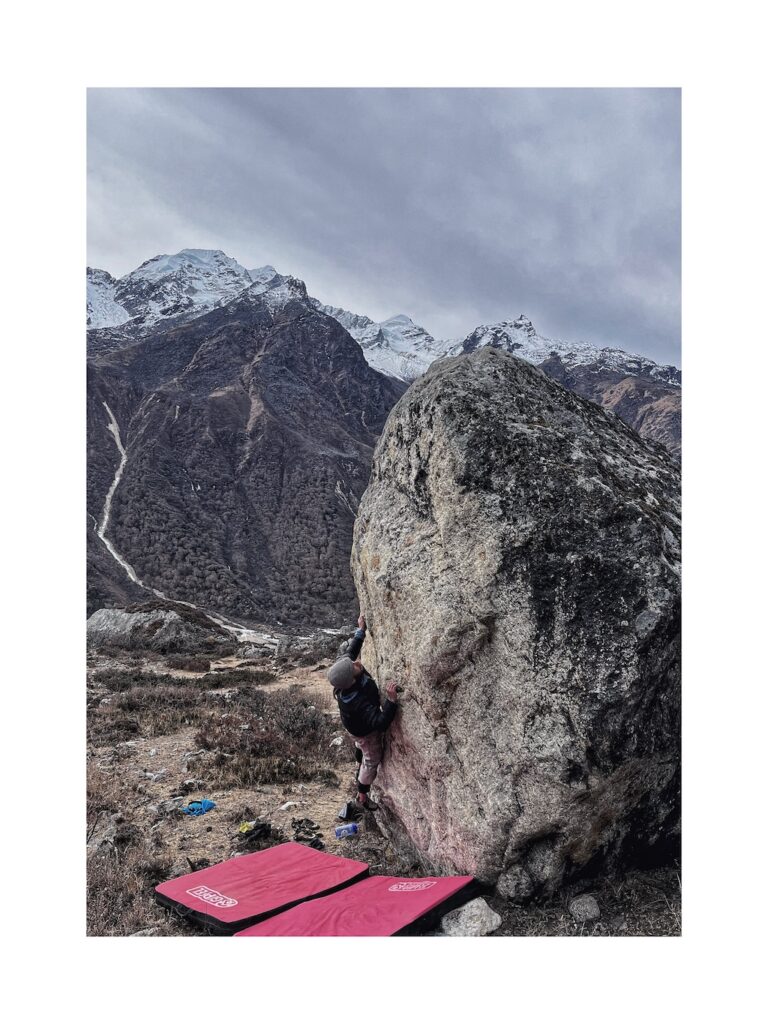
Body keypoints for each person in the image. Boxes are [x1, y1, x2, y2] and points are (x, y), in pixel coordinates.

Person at [327, 613, 398, 811]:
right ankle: (362, 794)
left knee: (361, 748)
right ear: (350, 681)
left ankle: (359, 757)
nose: (357, 663)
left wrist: (361, 629)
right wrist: (391, 702)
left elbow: (352, 651)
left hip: (356, 728)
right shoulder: (356, 701)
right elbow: (380, 723)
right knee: (371, 759)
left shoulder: (347, 672)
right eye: (354, 668)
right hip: (365, 732)